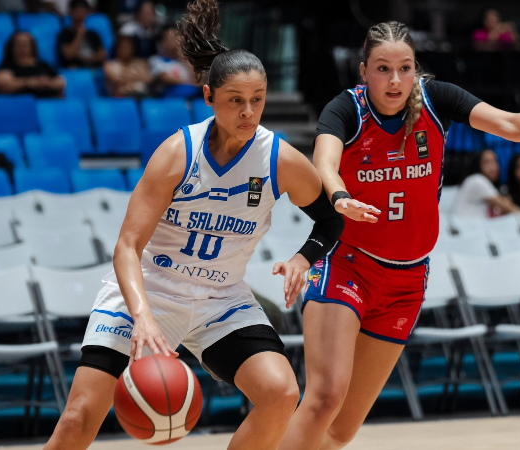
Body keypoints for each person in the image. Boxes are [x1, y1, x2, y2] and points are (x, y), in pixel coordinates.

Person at [41, 1, 355, 449]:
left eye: (257, 100)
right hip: (150, 290)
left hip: (220, 298)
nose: (249, 111)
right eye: (235, 101)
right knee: (78, 418)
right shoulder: (177, 153)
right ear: (208, 96)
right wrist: (144, 318)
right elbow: (128, 246)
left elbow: (328, 218)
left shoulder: (279, 159)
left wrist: (304, 259)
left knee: (280, 393)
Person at [278, 20, 520, 450]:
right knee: (323, 400)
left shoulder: (436, 99)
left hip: (407, 281)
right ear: (363, 71)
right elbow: (324, 162)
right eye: (382, 68)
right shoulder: (345, 109)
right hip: (348, 267)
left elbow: (507, 123)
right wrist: (339, 198)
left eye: (404, 67)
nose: (394, 80)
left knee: (342, 429)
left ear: (416, 69)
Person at [453, 149, 520, 218]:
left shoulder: (488, 184)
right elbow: (508, 208)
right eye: (487, 162)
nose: (493, 166)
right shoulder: (477, 180)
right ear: (477, 164)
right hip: (465, 226)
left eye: (495, 161)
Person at [0, 31, 65, 98]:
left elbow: (61, 81)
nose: (22, 49)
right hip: (20, 104)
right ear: (12, 47)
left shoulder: (43, 65)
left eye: (26, 45)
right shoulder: (8, 65)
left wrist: (47, 83)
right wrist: (29, 83)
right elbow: (3, 83)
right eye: (19, 45)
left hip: (47, 105)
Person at [149, 27, 199, 98]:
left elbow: (197, 80)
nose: (176, 42)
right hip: (169, 98)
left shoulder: (186, 62)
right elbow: (164, 78)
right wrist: (188, 82)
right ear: (164, 43)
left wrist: (183, 57)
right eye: (172, 39)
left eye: (178, 39)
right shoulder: (157, 60)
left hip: (192, 98)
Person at [57, 0, 107, 69]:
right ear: (71, 12)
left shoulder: (93, 34)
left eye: (82, 11)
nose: (80, 15)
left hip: (94, 70)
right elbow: (69, 55)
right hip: (75, 72)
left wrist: (80, 57)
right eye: (77, 12)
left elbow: (103, 56)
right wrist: (79, 35)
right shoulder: (64, 34)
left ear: (87, 13)